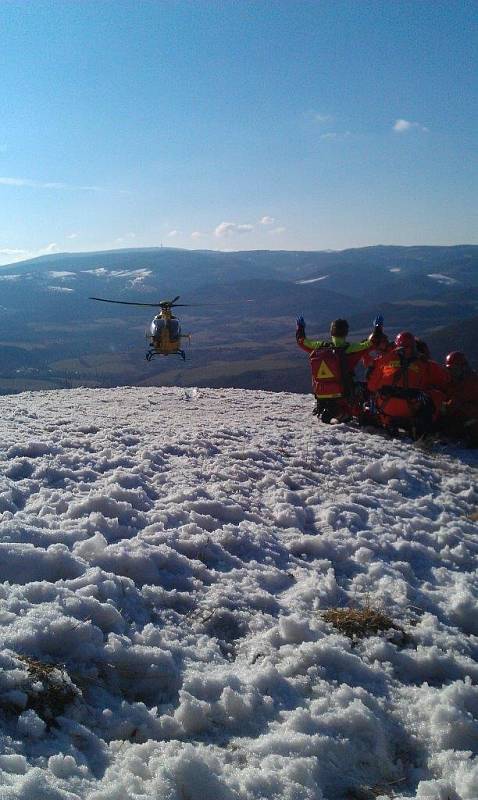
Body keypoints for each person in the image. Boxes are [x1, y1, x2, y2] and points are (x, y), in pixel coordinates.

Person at [296, 316, 385, 423]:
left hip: (320, 392)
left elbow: (302, 341)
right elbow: (371, 343)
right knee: (365, 388)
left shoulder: (320, 346)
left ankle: (331, 410)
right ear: (346, 332)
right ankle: (348, 413)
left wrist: (300, 328)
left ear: (331, 332)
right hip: (343, 392)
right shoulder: (351, 349)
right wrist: (377, 327)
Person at [367, 331, 450, 438]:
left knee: (374, 393)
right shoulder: (424, 364)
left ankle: (387, 421)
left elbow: (371, 386)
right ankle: (425, 427)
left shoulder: (383, 360)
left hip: (385, 408)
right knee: (437, 395)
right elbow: (444, 380)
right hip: (409, 410)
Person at [443, 352, 478, 446]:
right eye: (449, 369)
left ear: (463, 368)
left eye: (454, 369)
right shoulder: (456, 381)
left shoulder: (470, 382)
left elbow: (453, 404)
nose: (451, 372)